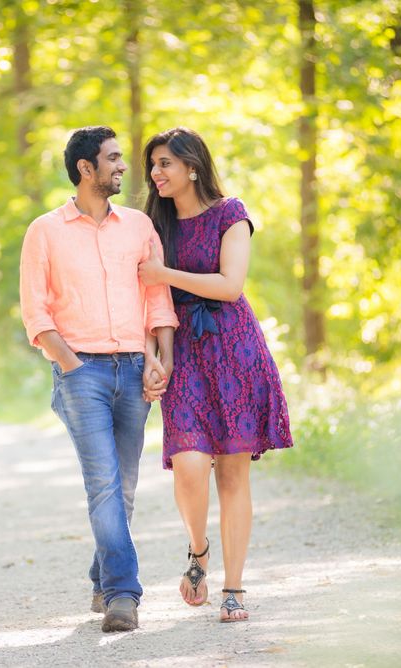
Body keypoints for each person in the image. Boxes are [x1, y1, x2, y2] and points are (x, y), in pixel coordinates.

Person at [19, 125, 178, 632]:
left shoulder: (138, 227)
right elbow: (35, 312)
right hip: (80, 373)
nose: (123, 167)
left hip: (135, 370)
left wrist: (160, 358)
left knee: (124, 489)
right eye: (112, 159)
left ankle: (100, 574)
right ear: (86, 168)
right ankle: (122, 595)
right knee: (105, 485)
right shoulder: (44, 231)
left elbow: (157, 300)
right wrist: (71, 365)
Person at [137, 127, 294, 623]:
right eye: (153, 166)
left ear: (193, 166)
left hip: (234, 350)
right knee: (187, 464)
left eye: (165, 163)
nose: (156, 174)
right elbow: (140, 297)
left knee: (231, 471)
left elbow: (230, 285)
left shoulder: (232, 214)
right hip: (181, 352)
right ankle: (199, 552)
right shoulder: (152, 226)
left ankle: (234, 588)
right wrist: (150, 354)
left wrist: (166, 276)